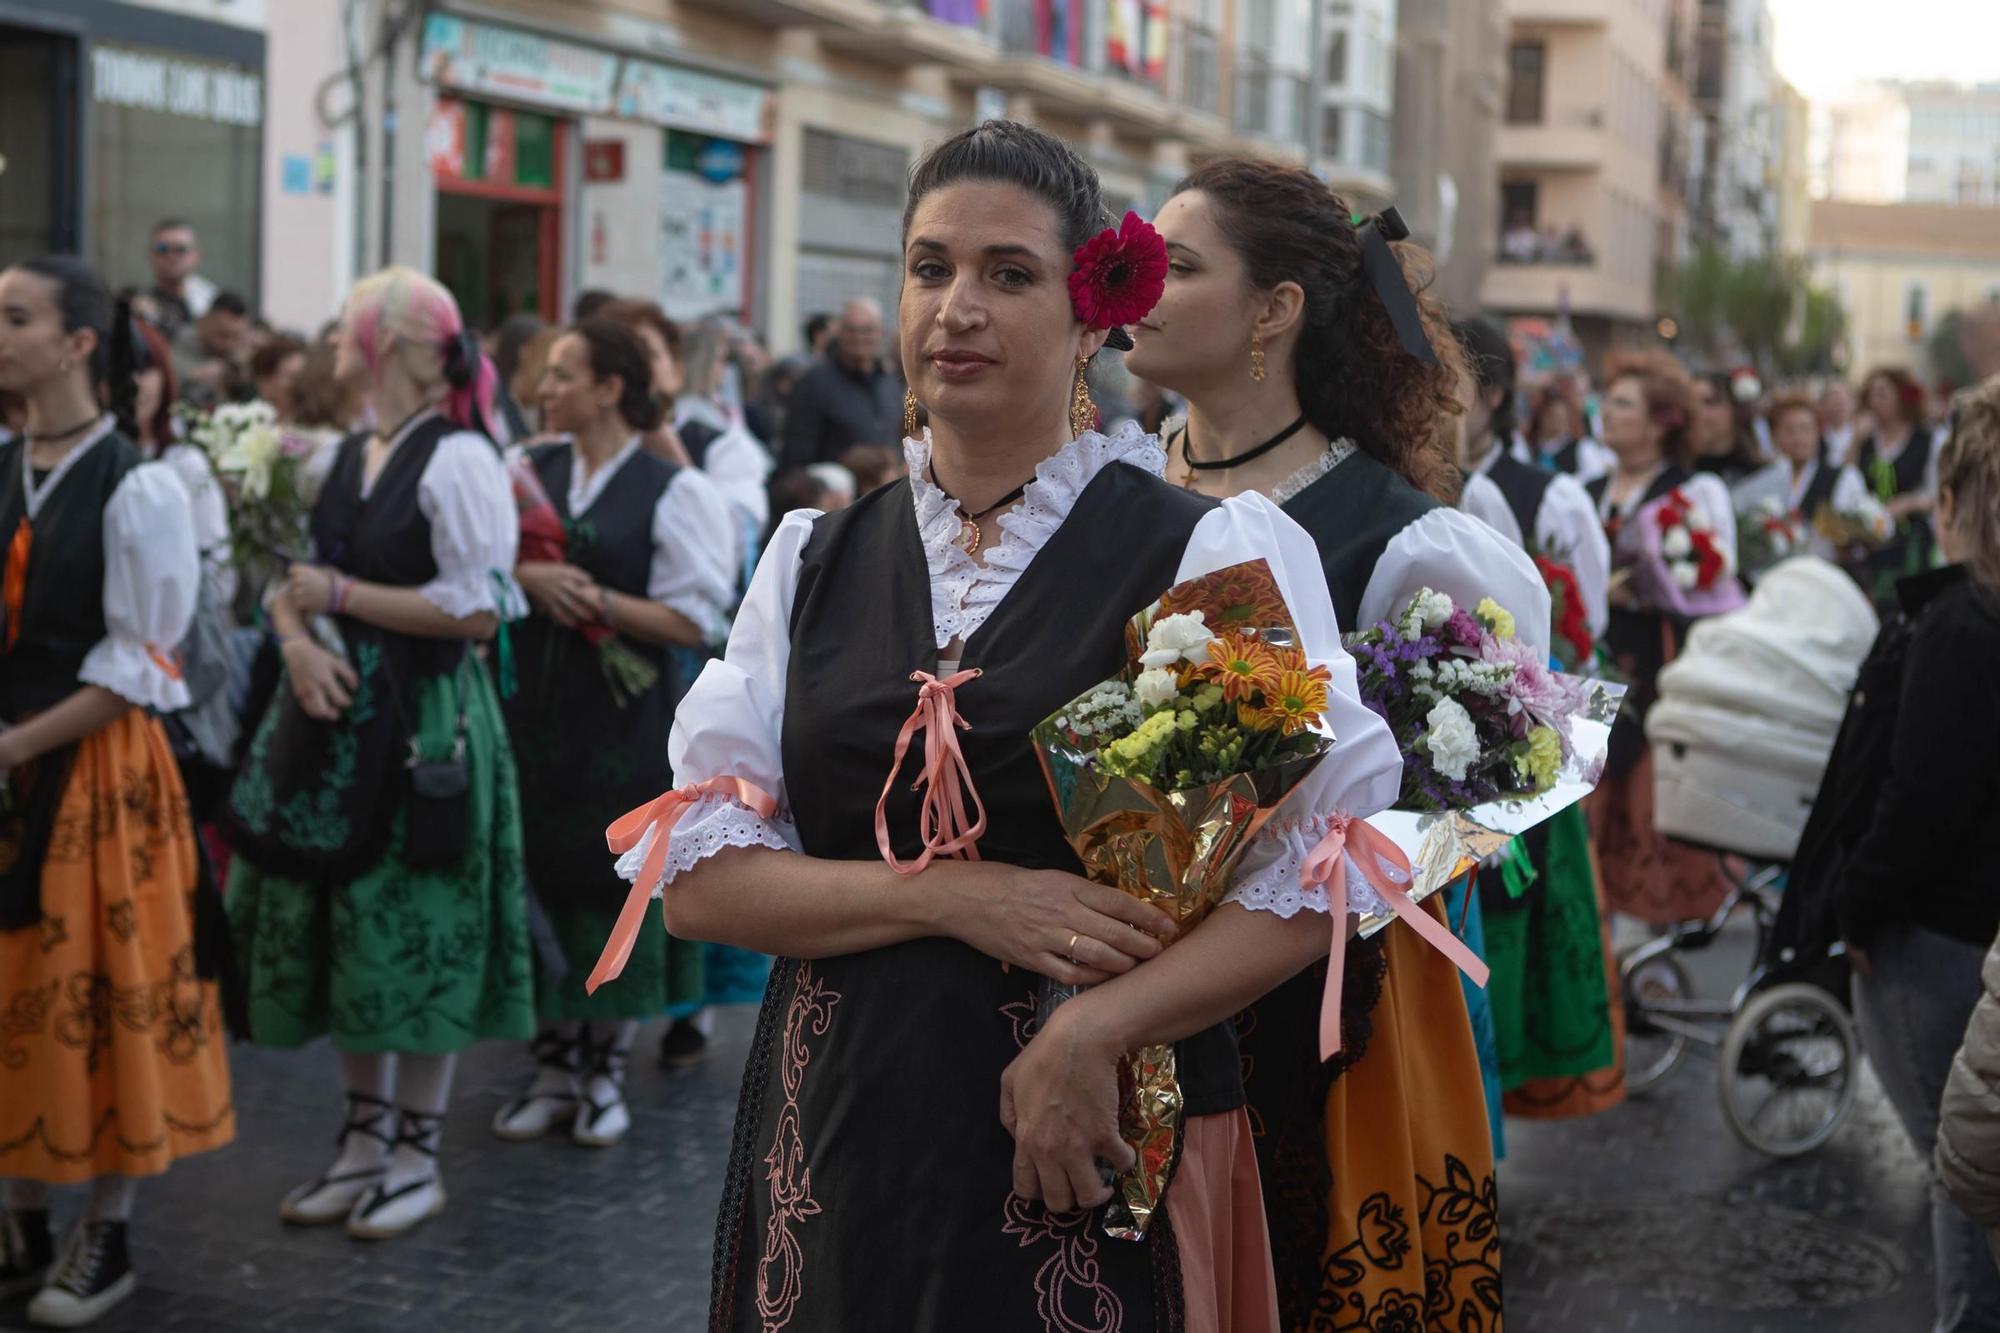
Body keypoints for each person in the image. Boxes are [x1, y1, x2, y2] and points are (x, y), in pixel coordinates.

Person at [608, 119, 1403, 1332]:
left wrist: (1099, 1023)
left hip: (1085, 1135)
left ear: (1095, 314)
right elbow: (704, 889)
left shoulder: (1201, 552)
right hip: (837, 1128)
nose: (955, 309)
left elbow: (1322, 874)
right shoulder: (812, 555)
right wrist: (947, 894)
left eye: (1007, 274)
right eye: (930, 269)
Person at [1126, 159, 1547, 1331]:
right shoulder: (1099, 486)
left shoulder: (1407, 541)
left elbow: (1481, 803)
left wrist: (1347, 851)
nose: (1140, 286)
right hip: (1110, 968)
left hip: (1323, 1003)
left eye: (1182, 264)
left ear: (1274, 309)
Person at [222, 266, 535, 1240]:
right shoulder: (345, 453)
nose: (325, 348)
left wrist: (340, 605)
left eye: (341, 332)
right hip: (341, 713)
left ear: (386, 343)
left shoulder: (460, 459)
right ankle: (363, 1142)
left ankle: (415, 1153)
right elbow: (291, 583)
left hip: (430, 720)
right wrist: (296, 643)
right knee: (354, 923)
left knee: (419, 922)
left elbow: (480, 607)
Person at [0, 255, 233, 1327]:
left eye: (16, 317)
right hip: (12, 754)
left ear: (78, 343)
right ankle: (21, 1210)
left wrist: (16, 745)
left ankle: (109, 1224)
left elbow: (146, 660)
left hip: (91, 766)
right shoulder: (6, 461)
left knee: (91, 985)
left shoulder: (139, 484)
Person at [492, 319, 736, 1147]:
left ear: (608, 388)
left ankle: (603, 1068)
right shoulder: (527, 468)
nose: (544, 389)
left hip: (625, 720)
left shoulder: (674, 489)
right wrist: (529, 578)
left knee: (607, 878)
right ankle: (553, 1060)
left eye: (563, 374)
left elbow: (693, 616)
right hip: (535, 710)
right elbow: (485, 570)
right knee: (543, 871)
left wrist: (591, 599)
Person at [1836, 377, 2000, 1331]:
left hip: (1936, 939)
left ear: (1951, 502)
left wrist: (1857, 907)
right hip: (1969, 924)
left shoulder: (1960, 624)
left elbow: (1919, 801)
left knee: (1963, 1165)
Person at [1585, 351, 1739, 927]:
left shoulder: (1695, 491)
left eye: (1623, 403)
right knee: (1591, 775)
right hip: (1596, 654)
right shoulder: (1587, 485)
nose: (1608, 412)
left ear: (1660, 421)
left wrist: (1646, 588)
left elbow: (1714, 575)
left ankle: (1650, 941)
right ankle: (1604, 936)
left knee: (1644, 785)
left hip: (1654, 656)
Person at [1736, 392, 1889, 563]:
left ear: (1818, 433)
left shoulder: (1843, 477)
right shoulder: (1761, 480)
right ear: (1774, 436)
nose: (1798, 438)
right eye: (1789, 430)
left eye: (1806, 429)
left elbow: (1863, 529)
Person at [674, 315, 776, 530]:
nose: (726, 370)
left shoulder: (723, 407)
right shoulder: (690, 415)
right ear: (702, 363)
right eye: (720, 361)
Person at [1852, 365, 1941, 604]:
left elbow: (1938, 493)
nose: (1875, 401)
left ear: (1901, 397)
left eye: (1882, 393)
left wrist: (1909, 503)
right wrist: (1855, 440)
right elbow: (1845, 482)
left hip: (1911, 540)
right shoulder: (1867, 441)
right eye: (1871, 394)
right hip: (1871, 543)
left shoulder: (1926, 438)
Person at [779, 297, 903, 467]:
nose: (859, 338)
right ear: (839, 333)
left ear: (880, 333)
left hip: (889, 488)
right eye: (851, 330)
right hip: (835, 487)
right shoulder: (813, 383)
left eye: (867, 330)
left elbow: (904, 432)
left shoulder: (892, 382)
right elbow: (796, 455)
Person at [1518, 382, 1613, 483]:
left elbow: (1594, 478)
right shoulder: (1529, 448)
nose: (1555, 422)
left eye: (1560, 417)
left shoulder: (1581, 448)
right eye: (1551, 416)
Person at [144, 219, 217, 341]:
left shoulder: (212, 301)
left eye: (180, 250)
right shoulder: (137, 303)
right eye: (162, 249)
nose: (171, 256)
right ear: (150, 254)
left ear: (196, 255)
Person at [1692, 371, 1767, 488]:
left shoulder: (1762, 474)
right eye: (1692, 403)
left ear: (1735, 409)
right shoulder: (1677, 473)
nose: (1698, 413)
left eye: (1710, 403)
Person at [249, 334, 309, 423]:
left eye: (303, 377)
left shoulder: (314, 428)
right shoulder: (245, 421)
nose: (298, 385)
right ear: (264, 381)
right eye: (290, 377)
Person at [1820, 379, 1857, 462]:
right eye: (1833, 401)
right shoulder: (1817, 437)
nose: (1838, 407)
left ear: (1853, 404)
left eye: (1842, 401)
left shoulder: (1862, 436)